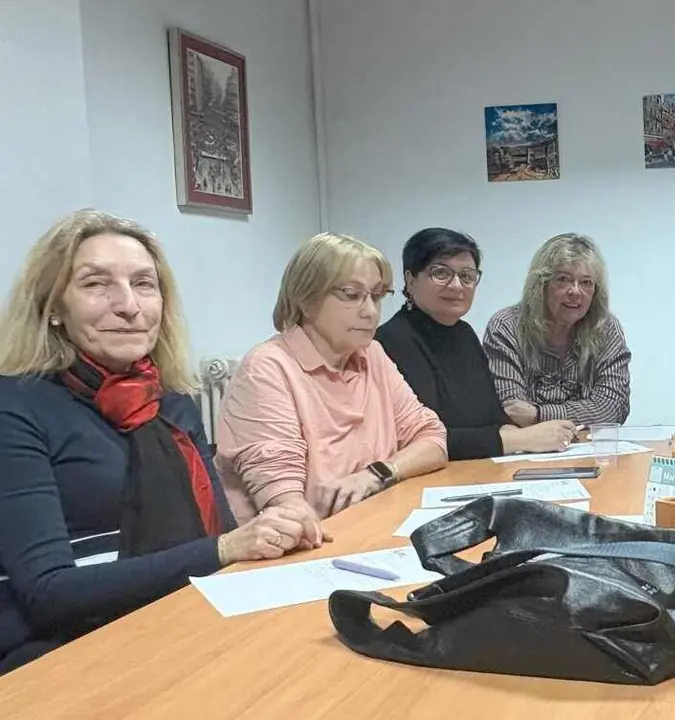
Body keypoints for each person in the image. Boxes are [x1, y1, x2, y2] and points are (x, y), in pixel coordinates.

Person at [0, 210, 313, 675]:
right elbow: (50, 592)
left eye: (145, 284)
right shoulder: (17, 407)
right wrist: (227, 550)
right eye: (95, 284)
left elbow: (219, 532)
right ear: (53, 308)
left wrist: (271, 531)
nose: (129, 305)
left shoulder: (174, 402)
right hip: (60, 649)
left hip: (178, 613)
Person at [216, 232, 447, 528]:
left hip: (369, 524)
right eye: (351, 295)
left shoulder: (371, 354)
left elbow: (432, 440)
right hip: (295, 550)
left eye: (377, 296)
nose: (370, 311)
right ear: (305, 299)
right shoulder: (267, 368)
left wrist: (377, 474)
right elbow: (287, 507)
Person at [377, 228, 577, 460]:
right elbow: (425, 439)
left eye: (467, 276)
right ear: (410, 280)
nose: (456, 286)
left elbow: (492, 416)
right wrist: (522, 439)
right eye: (441, 273)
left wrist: (536, 436)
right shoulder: (392, 340)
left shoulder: (464, 333)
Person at [483, 233, 631, 427]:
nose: (575, 291)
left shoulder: (605, 328)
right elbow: (511, 411)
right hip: (526, 450)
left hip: (587, 450)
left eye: (586, 282)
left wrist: (538, 414)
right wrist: (582, 413)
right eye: (563, 279)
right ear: (541, 285)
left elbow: (612, 409)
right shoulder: (507, 326)